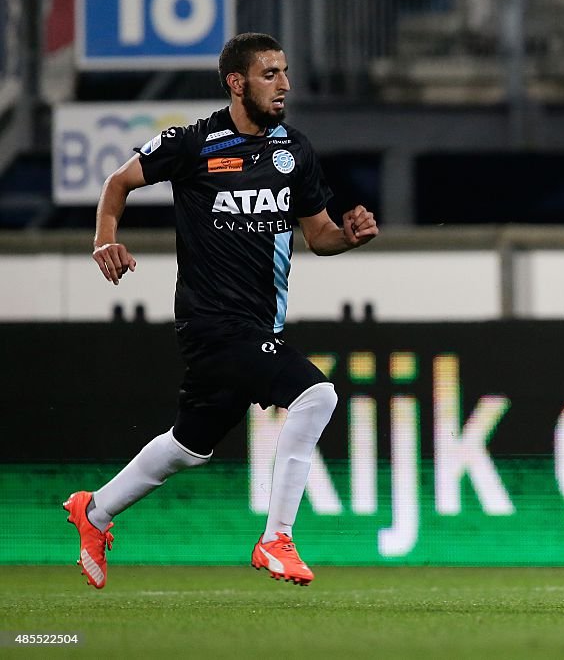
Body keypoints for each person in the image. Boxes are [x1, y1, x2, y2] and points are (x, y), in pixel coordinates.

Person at [63, 32, 379, 589]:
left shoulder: (295, 152)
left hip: (258, 327)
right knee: (316, 396)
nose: (284, 85)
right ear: (236, 82)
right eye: (269, 74)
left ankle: (95, 511)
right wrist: (103, 239)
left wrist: (349, 237)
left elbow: (320, 234)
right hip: (213, 324)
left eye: (284, 72)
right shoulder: (194, 143)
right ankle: (276, 538)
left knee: (187, 448)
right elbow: (118, 182)